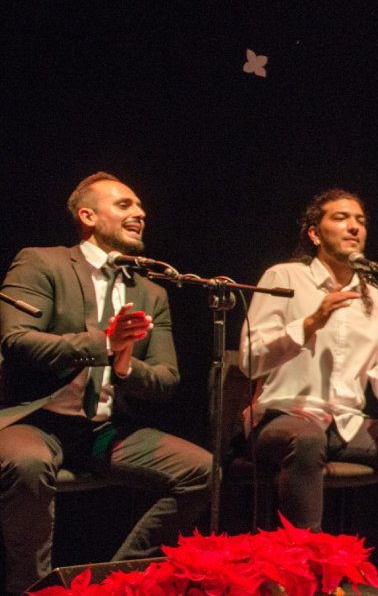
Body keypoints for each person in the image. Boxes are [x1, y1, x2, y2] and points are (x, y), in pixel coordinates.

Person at [239, 188, 378, 593]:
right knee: (307, 437)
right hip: (284, 417)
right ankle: (310, 581)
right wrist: (310, 323)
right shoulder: (284, 278)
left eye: (360, 220)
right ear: (313, 233)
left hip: (346, 424)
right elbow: (249, 359)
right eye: (341, 218)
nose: (354, 226)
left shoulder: (377, 299)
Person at [0, 172, 212, 595]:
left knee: (203, 471)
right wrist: (104, 343)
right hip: (36, 419)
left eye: (139, 207)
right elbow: (16, 340)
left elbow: (167, 380)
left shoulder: (151, 291)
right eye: (124, 205)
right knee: (27, 464)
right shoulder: (43, 262)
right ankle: (32, 590)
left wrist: (125, 364)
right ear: (88, 216)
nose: (140, 213)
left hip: (104, 430)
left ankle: (116, 584)